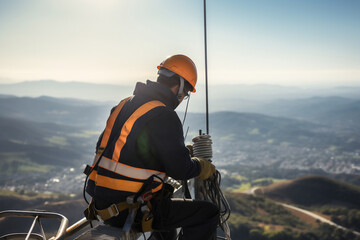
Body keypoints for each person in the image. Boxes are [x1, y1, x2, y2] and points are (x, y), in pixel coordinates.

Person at [84, 54, 219, 240]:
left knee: (165, 208)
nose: (183, 98)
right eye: (186, 93)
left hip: (104, 204)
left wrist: (174, 151)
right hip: (132, 208)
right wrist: (200, 165)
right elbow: (181, 170)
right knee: (208, 213)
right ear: (179, 87)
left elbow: (125, 151)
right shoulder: (163, 114)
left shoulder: (124, 104)